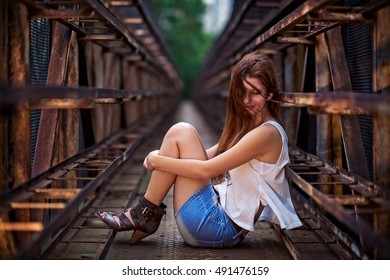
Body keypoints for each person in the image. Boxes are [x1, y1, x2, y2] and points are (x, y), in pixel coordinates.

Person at [96, 50, 302, 248]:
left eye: (255, 93)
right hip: (217, 222)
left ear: (269, 94)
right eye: (242, 93)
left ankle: (143, 215)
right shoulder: (251, 127)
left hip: (218, 228)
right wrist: (167, 156)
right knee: (182, 135)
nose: (246, 101)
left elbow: (206, 170)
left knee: (181, 131)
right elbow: (208, 156)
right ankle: (143, 215)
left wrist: (155, 159)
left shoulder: (267, 134)